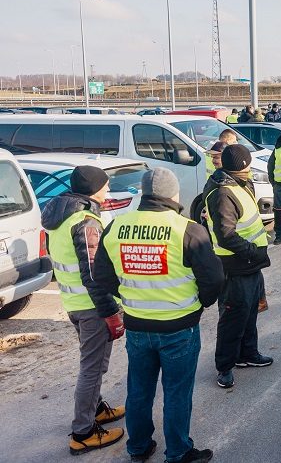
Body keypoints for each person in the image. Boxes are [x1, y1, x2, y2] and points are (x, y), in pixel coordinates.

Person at [95, 168, 224, 463]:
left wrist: (131, 295)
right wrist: (200, 302)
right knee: (177, 393)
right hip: (180, 326)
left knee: (138, 391)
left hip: (138, 325)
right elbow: (214, 279)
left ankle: (138, 448)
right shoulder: (187, 229)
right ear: (174, 195)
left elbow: (102, 275)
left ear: (143, 193)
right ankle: (178, 452)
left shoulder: (116, 226)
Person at [42, 166, 125, 455]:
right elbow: (94, 272)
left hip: (73, 303)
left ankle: (96, 409)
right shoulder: (86, 220)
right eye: (106, 185)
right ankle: (83, 432)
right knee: (92, 368)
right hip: (91, 307)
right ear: (93, 189)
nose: (108, 190)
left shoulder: (58, 216)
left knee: (95, 363)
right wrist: (110, 310)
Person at [203, 144, 273, 389]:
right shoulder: (224, 193)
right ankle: (225, 366)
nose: (250, 171)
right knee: (233, 316)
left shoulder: (238, 184)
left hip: (250, 265)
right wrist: (252, 252)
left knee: (250, 311)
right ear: (240, 167)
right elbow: (225, 235)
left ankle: (247, 354)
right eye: (247, 167)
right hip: (235, 265)